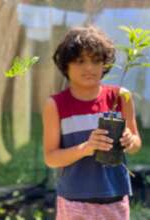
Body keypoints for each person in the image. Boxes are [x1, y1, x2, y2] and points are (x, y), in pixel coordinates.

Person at [43, 26, 142, 220]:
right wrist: (86, 148)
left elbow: (136, 144)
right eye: (80, 61)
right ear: (65, 65)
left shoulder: (120, 97)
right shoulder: (55, 105)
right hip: (74, 201)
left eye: (96, 61)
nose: (89, 68)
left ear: (105, 64)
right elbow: (51, 157)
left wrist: (130, 141)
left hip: (115, 197)